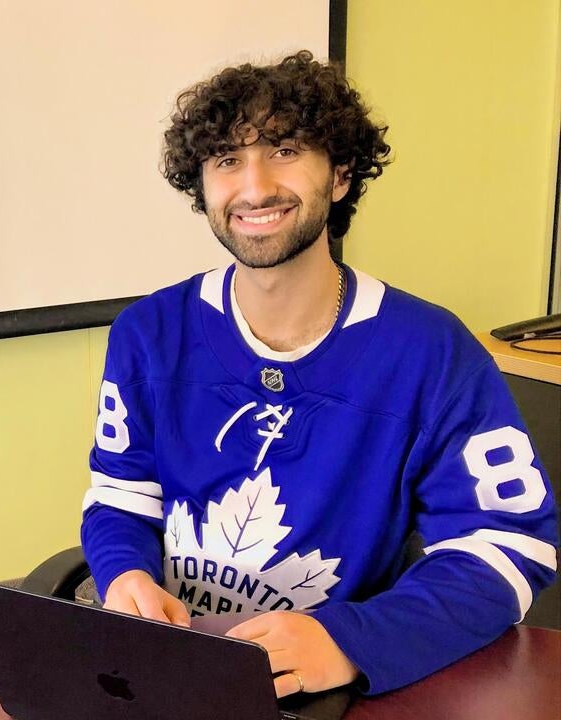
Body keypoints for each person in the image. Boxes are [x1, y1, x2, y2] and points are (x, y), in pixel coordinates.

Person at [80, 50, 557, 700]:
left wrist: (353, 640)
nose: (254, 188)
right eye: (227, 160)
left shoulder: (432, 351)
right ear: (203, 187)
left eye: (283, 151)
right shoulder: (147, 334)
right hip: (177, 672)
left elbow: (510, 545)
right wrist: (123, 574)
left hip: (334, 688)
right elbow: (121, 496)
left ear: (339, 175)